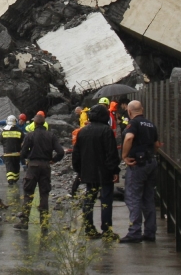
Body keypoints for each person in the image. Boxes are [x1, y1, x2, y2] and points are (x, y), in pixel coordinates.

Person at [72, 105, 121, 239]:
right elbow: (112, 153)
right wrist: (114, 170)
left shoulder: (83, 131)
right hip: (104, 172)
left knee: (89, 200)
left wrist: (79, 171)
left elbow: (76, 154)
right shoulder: (106, 131)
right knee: (106, 201)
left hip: (88, 172)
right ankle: (106, 229)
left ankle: (89, 228)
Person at [119, 100, 163, 243]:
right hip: (151, 162)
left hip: (138, 164)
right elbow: (156, 145)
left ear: (130, 112)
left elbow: (129, 138)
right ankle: (150, 232)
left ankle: (134, 232)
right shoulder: (151, 124)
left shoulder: (134, 124)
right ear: (142, 109)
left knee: (133, 197)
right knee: (148, 197)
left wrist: (125, 156)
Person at [14, 113, 64, 230]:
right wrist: (53, 160)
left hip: (33, 166)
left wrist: (25, 158)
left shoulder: (30, 136)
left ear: (35, 123)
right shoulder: (51, 136)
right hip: (45, 167)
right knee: (44, 194)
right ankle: (44, 223)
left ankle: (24, 221)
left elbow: (23, 153)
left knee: (28, 193)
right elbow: (61, 152)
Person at [0, 115, 24, 196]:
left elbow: (1, 140)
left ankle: (10, 180)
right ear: (15, 121)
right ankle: (15, 178)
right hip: (17, 153)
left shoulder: (4, 131)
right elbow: (22, 140)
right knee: (16, 165)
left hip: (7, 153)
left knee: (9, 166)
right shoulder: (19, 131)